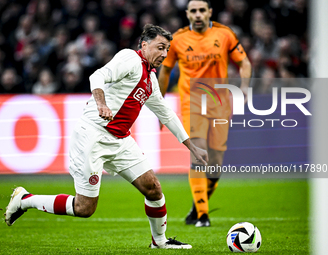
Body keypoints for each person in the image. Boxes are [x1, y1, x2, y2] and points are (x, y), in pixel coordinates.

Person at [5, 24, 208, 249]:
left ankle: (159, 242)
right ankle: (25, 200)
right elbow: (97, 76)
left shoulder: (150, 80)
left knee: (153, 188)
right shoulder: (130, 59)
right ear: (144, 45)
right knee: (84, 208)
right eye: (160, 47)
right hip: (93, 135)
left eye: (167, 49)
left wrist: (192, 146)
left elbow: (166, 113)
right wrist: (101, 103)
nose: (164, 54)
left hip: (120, 140)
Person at [158, 0, 252, 227]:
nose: (198, 15)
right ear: (187, 13)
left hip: (220, 104)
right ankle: (203, 215)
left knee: (216, 163)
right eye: (194, 11)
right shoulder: (178, 39)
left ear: (210, 12)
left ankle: (197, 205)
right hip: (192, 103)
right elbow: (165, 70)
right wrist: (159, 107)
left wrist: (245, 87)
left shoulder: (225, 34)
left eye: (202, 10)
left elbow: (245, 63)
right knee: (199, 155)